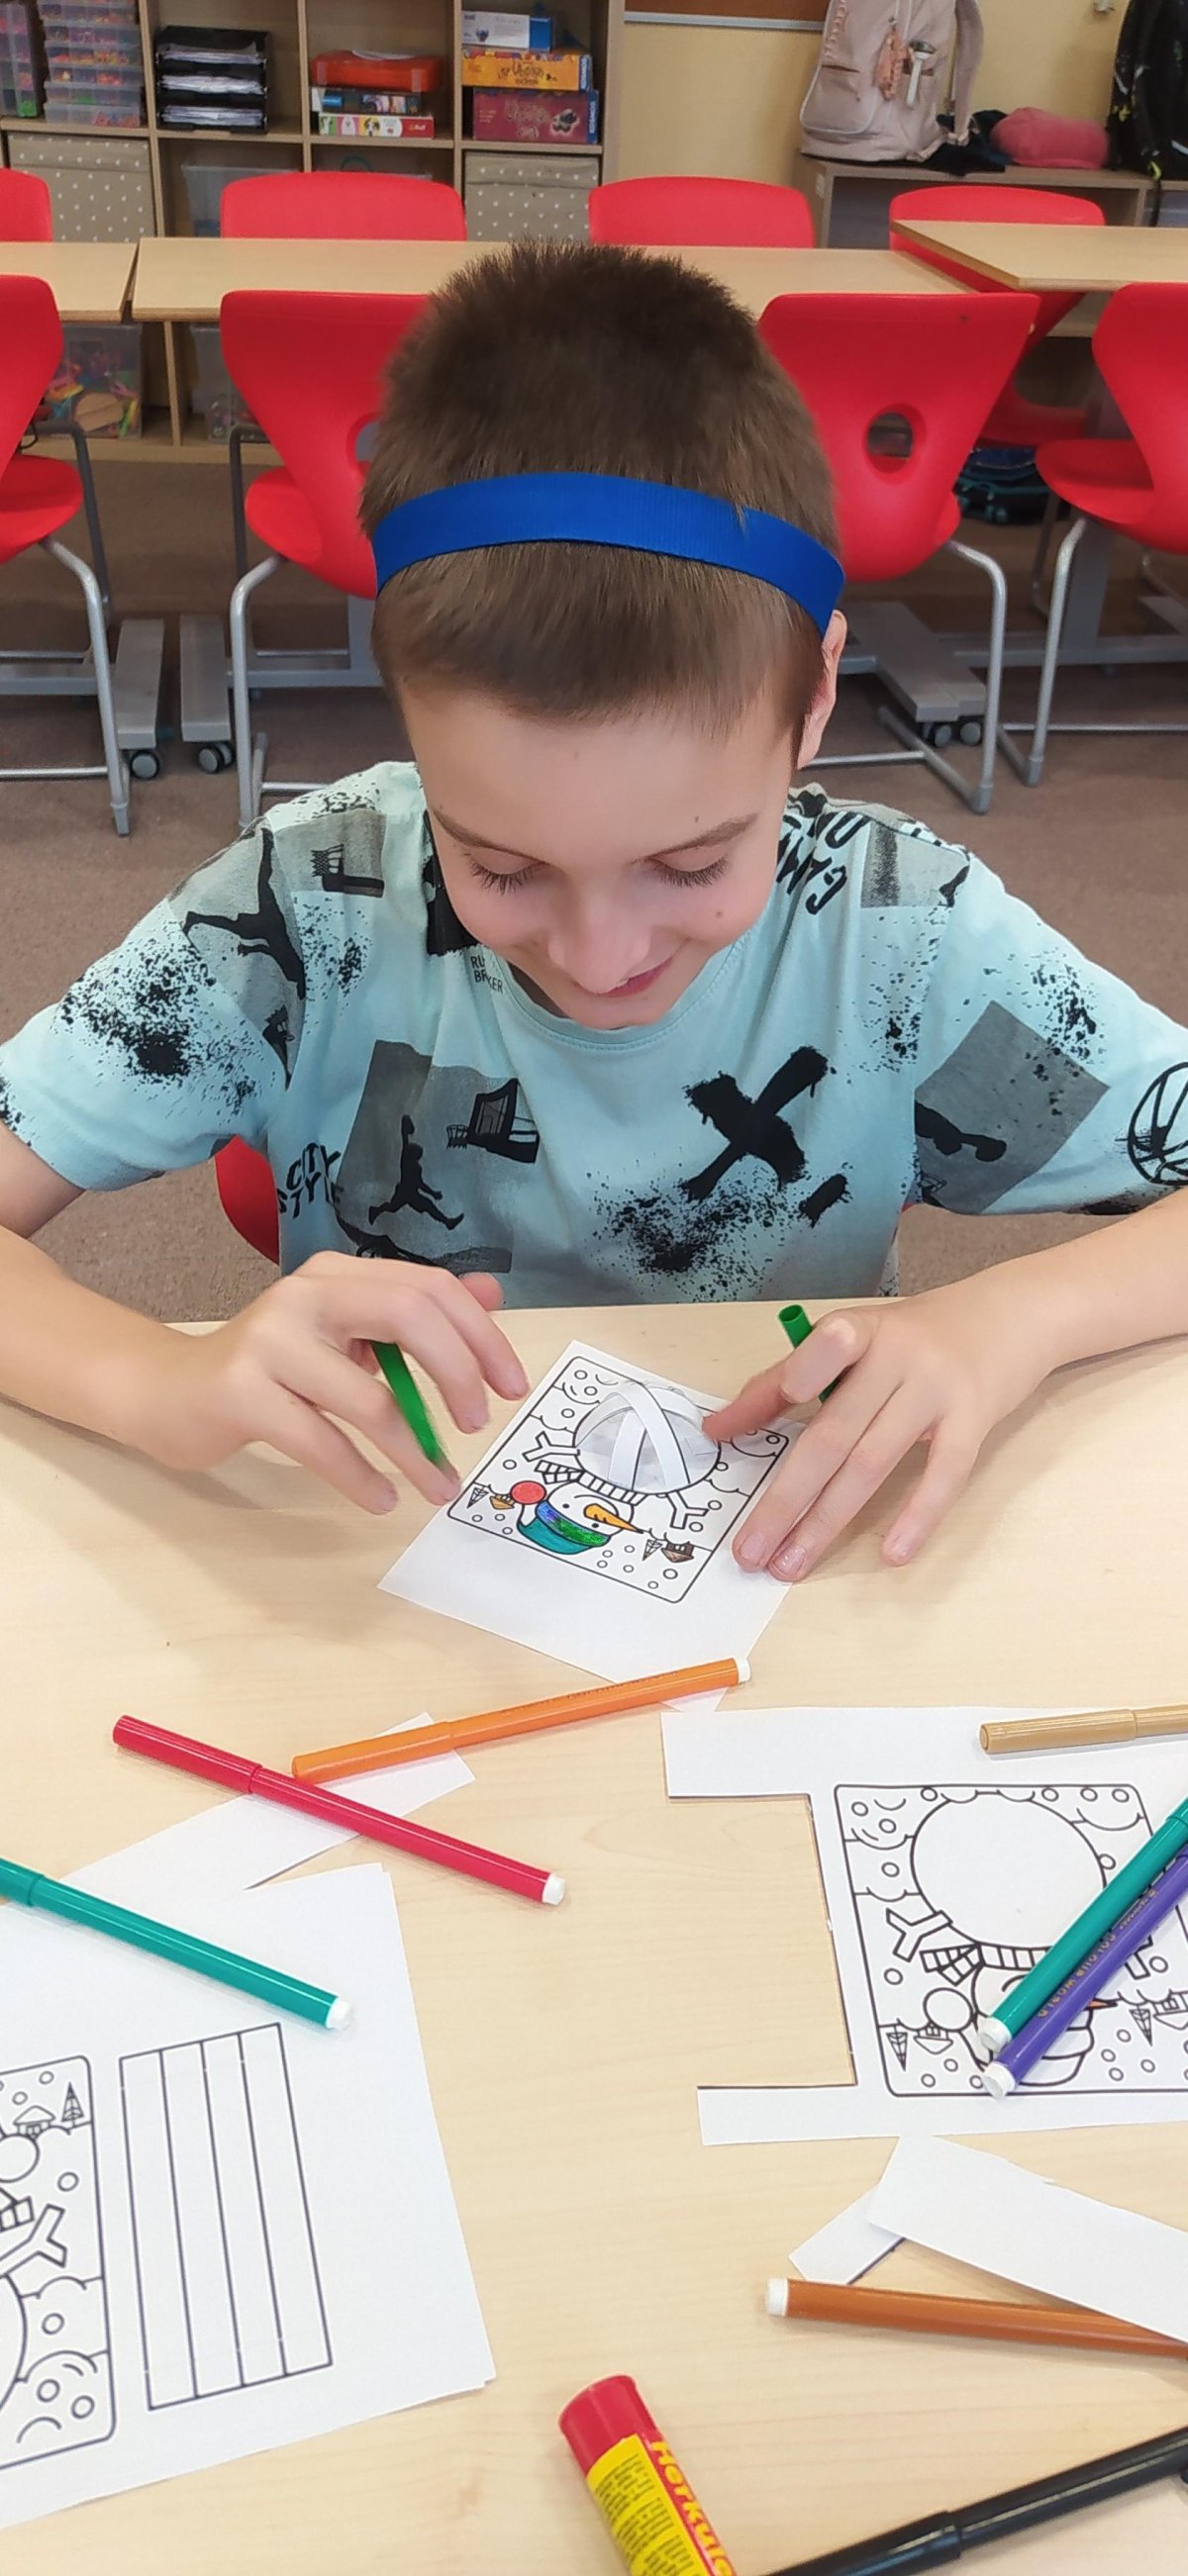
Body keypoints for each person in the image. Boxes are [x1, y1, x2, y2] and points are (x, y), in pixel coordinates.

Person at [0, 241, 1185, 1587]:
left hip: (778, 1580)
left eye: (690, 865)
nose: (601, 958)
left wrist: (1012, 1321)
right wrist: (160, 1377)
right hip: (380, 1575)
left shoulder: (897, 934)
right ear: (412, 728)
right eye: (502, 869)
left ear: (813, 701)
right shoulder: (309, 901)